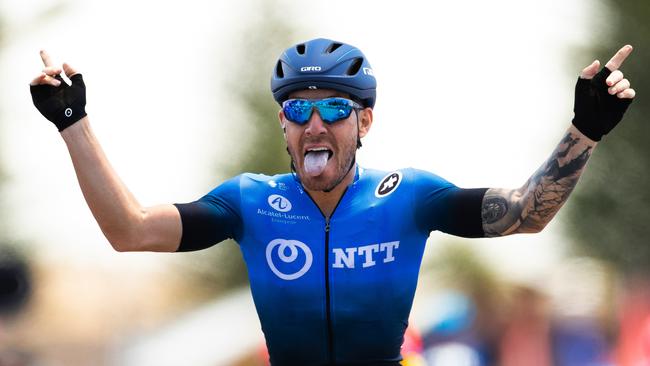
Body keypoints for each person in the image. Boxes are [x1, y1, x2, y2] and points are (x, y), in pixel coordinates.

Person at [29, 38, 635, 365]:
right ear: (283, 126)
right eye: (298, 109)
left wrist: (585, 130)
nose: (315, 123)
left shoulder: (411, 196)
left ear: (364, 120)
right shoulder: (248, 201)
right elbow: (130, 231)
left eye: (335, 108)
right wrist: (73, 122)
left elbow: (527, 214)